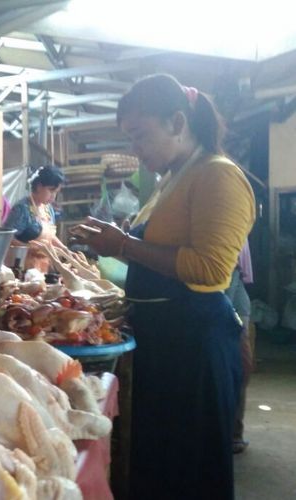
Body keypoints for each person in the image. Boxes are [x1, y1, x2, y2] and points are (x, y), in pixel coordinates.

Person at [70, 74, 255, 500]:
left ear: (176, 122)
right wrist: (118, 239)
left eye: (140, 135)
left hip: (194, 346)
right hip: (164, 340)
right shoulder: (170, 179)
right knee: (160, 462)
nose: (135, 148)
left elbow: (209, 268)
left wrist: (121, 244)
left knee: (188, 468)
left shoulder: (217, 176)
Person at [3, 165, 67, 272]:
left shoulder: (48, 209)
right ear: (38, 186)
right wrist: (28, 247)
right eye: (51, 190)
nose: (53, 196)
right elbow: (7, 237)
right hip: (22, 267)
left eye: (56, 192)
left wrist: (65, 250)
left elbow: (51, 237)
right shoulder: (22, 209)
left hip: (43, 267)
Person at [225, 240, 254, 454]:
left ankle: (234, 431)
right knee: (237, 365)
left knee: (241, 365)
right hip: (226, 273)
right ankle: (231, 432)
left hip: (234, 276)